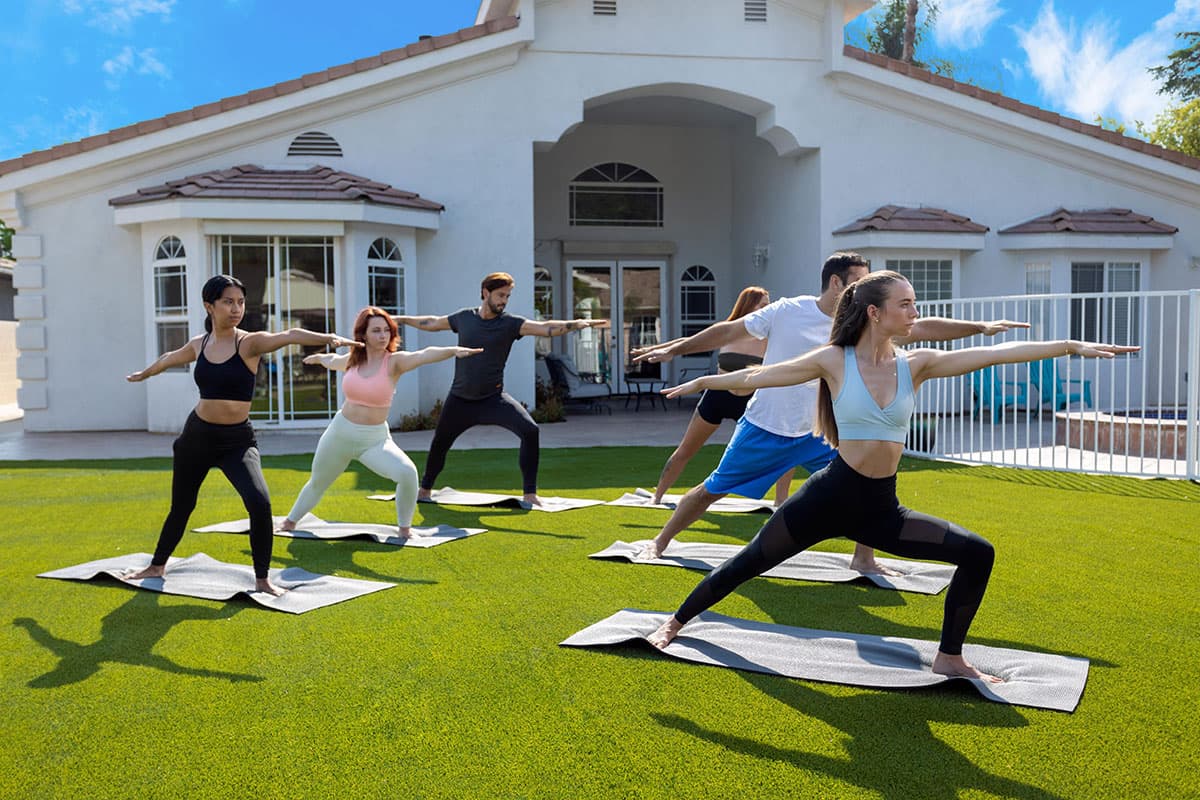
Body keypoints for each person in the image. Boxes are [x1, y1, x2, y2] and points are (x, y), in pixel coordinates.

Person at [648, 270, 1137, 681]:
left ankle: (949, 658)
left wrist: (1070, 345)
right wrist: (704, 380)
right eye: (906, 305)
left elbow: (996, 354)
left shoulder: (916, 364)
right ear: (875, 313)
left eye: (915, 304)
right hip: (827, 498)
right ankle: (674, 621)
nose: (915, 313)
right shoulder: (833, 360)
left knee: (978, 553)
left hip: (881, 509)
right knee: (748, 561)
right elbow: (757, 376)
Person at [633, 252, 1028, 569]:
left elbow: (924, 328)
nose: (868, 289)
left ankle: (864, 557)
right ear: (836, 283)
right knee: (711, 490)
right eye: (859, 281)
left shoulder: (861, 321)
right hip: (766, 426)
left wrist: (980, 327)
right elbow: (728, 331)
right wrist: (677, 347)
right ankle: (660, 541)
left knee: (868, 487)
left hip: (821, 430)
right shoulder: (788, 310)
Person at [124, 274, 360, 595]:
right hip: (197, 438)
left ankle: (262, 579)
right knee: (182, 506)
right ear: (209, 306)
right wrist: (144, 373)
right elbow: (170, 357)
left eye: (240, 302)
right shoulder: (200, 344)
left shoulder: (249, 343)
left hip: (237, 441)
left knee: (259, 503)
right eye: (228, 302)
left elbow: (289, 335)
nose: (236, 309)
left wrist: (329, 337)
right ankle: (157, 564)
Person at [393, 271, 608, 506]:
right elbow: (432, 323)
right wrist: (402, 320)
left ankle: (530, 494)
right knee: (440, 443)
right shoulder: (464, 318)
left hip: (493, 399)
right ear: (486, 293)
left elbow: (545, 328)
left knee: (530, 431)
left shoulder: (510, 324)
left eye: (507, 296)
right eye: (500, 295)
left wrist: (574, 324)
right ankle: (425, 490)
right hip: (460, 400)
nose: (504, 300)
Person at [278, 307, 482, 538]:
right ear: (363, 334)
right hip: (339, 434)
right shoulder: (353, 360)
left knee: (407, 473)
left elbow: (424, 355)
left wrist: (453, 350)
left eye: (387, 330)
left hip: (373, 440)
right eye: (376, 331)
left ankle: (404, 529)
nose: (383, 335)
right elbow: (333, 360)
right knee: (318, 483)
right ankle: (290, 522)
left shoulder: (394, 362)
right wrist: (318, 359)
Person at [649, 286, 796, 506]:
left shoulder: (770, 336)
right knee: (685, 450)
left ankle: (780, 501)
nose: (768, 309)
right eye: (763, 305)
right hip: (717, 397)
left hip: (750, 402)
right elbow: (688, 341)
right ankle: (657, 496)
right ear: (749, 306)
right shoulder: (728, 331)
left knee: (784, 450)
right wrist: (657, 350)